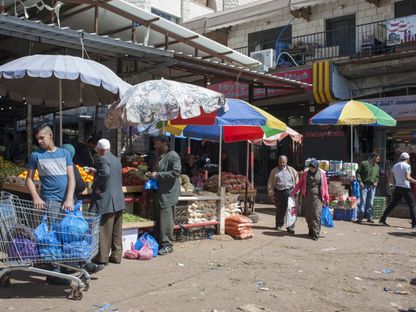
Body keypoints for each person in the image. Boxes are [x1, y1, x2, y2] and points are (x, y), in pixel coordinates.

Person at [25, 124, 75, 285]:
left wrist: (69, 198)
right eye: (37, 138)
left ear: (50, 136)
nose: (39, 141)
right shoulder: (35, 156)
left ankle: (65, 267)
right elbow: (29, 179)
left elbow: (71, 178)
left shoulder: (65, 153)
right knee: (52, 237)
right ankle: (54, 273)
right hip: (50, 201)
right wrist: (36, 198)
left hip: (66, 201)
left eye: (42, 138)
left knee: (68, 235)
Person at [86, 139, 125, 273]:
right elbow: (109, 172)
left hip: (106, 199)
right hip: (118, 199)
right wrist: (96, 171)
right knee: (116, 230)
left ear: (99, 149)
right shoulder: (116, 159)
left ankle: (102, 257)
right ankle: (116, 255)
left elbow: (106, 173)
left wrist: (95, 185)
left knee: (104, 229)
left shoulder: (102, 158)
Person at [149, 135, 181, 255]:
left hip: (168, 194)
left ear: (165, 143)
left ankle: (167, 245)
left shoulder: (173, 156)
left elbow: (176, 172)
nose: (155, 146)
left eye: (157, 143)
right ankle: (159, 242)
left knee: (166, 220)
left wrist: (157, 175)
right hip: (158, 192)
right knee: (158, 219)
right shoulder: (159, 156)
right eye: (155, 144)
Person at [291, 159, 329, 241]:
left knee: (316, 215)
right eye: (311, 167)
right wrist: (294, 192)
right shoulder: (305, 173)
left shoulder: (322, 174)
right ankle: (311, 230)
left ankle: (316, 234)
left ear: (317, 167)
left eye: (313, 167)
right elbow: (300, 184)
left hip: (318, 198)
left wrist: (326, 198)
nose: (312, 169)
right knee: (308, 216)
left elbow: (325, 186)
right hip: (307, 198)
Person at [379, 152, 416, 228]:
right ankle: (414, 224)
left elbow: (390, 175)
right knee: (412, 205)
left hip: (398, 187)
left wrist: (389, 183)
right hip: (405, 188)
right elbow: (407, 178)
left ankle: (382, 219)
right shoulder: (407, 166)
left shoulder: (395, 165)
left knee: (393, 204)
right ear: (408, 159)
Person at [267, 155, 299, 233]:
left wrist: (297, 192)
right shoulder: (274, 171)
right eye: (280, 162)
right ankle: (279, 224)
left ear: (286, 162)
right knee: (280, 210)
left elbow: (297, 181)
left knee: (291, 210)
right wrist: (271, 194)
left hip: (290, 191)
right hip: (280, 192)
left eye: (283, 162)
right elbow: (270, 183)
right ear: (278, 162)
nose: (282, 164)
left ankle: (290, 227)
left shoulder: (292, 170)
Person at [356, 152, 380, 223]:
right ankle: (360, 218)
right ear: (373, 157)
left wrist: (376, 182)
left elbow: (377, 176)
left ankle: (369, 217)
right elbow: (358, 173)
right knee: (363, 201)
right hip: (364, 186)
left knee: (370, 202)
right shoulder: (364, 163)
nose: (378, 159)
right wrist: (360, 182)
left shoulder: (377, 166)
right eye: (377, 158)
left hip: (372, 186)